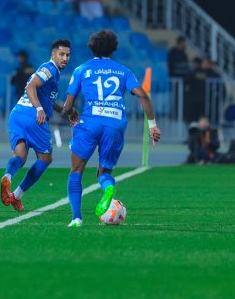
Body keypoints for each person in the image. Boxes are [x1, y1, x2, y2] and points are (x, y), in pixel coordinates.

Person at [61, 30, 161, 227]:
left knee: (76, 171)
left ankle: (76, 218)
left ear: (91, 48)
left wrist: (71, 113)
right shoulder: (123, 71)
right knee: (104, 172)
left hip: (90, 123)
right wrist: (153, 125)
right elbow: (142, 95)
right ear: (113, 48)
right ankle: (107, 188)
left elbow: (68, 106)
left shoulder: (82, 69)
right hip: (115, 123)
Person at [0, 40, 76, 212]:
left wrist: (66, 111)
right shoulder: (49, 69)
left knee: (19, 156)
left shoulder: (52, 72)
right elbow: (31, 86)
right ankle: (16, 196)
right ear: (53, 55)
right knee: (45, 159)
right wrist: (39, 109)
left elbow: (48, 100)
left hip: (17, 114)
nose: (65, 58)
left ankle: (7, 176)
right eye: (61, 54)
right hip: (33, 117)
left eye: (68, 55)